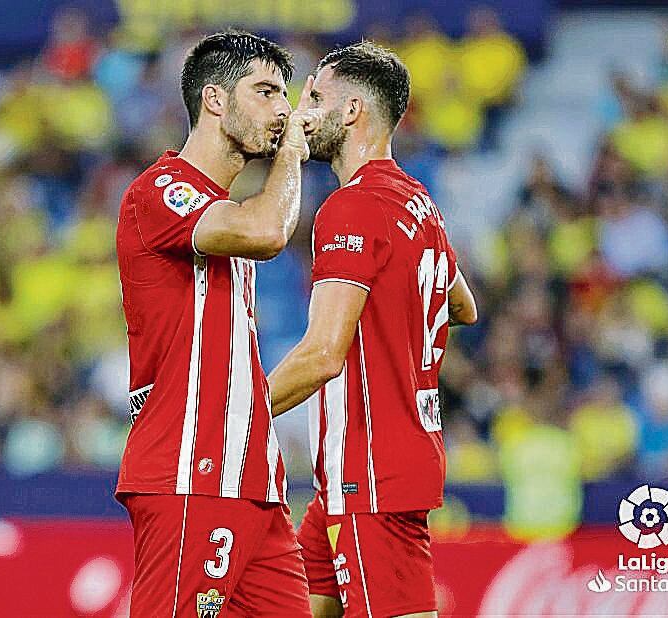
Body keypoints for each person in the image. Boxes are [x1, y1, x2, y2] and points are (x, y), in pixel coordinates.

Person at [268, 42, 478, 618]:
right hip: (375, 462)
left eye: (313, 96)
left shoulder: (351, 207)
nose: (299, 111)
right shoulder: (417, 202)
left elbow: (321, 354)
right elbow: (463, 306)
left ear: (353, 110)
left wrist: (237, 413)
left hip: (371, 470)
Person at [114, 31, 321, 616]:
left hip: (254, 478)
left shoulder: (221, 206)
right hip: (190, 468)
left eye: (286, 95)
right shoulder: (160, 190)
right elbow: (267, 233)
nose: (283, 110)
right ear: (214, 99)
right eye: (265, 92)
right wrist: (291, 157)